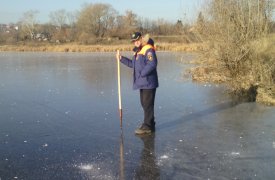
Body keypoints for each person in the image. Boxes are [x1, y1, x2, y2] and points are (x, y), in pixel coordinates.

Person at [116, 32, 159, 135]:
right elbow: (133, 65)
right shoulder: (138, 52)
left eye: (137, 40)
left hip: (148, 82)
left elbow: (152, 64)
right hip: (142, 82)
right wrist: (122, 59)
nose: (136, 42)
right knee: (145, 104)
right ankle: (150, 123)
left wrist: (142, 74)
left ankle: (147, 126)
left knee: (147, 104)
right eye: (134, 41)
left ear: (141, 39)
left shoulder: (148, 49)